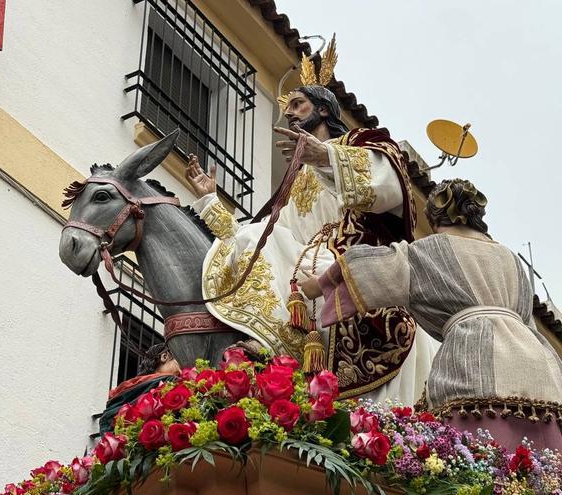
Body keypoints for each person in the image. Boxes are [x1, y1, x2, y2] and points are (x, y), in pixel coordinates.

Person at [184, 38, 437, 404]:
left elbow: (392, 186)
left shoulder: (356, 144)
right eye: (288, 107)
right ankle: (270, 342)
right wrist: (210, 200)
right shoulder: (295, 180)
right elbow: (268, 236)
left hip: (348, 255)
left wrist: (327, 157)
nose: (290, 112)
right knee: (258, 237)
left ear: (323, 108)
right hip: (304, 259)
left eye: (298, 104)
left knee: (312, 267)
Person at [301, 179, 562, 451]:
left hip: (475, 365)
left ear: (435, 218)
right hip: (543, 372)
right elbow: (528, 320)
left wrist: (319, 284)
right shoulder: (511, 258)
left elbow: (375, 267)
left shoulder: (430, 250)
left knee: (482, 461)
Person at [98, 344, 180, 433]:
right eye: (180, 362)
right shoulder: (169, 382)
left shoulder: (122, 392)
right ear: (164, 356)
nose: (181, 371)